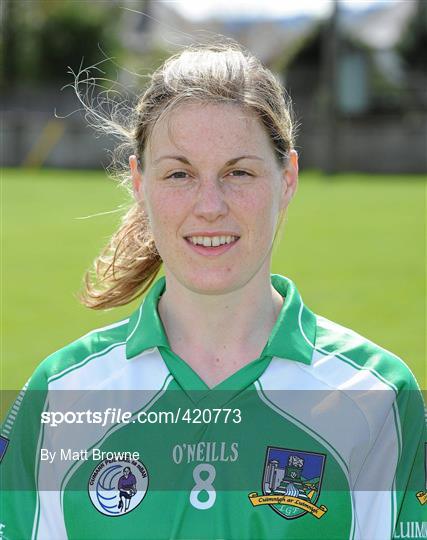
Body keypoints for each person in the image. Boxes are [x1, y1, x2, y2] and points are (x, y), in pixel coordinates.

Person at [1, 41, 425, 540]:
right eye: (179, 173)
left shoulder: (379, 396)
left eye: (238, 172)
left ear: (287, 177)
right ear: (139, 182)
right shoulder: (59, 395)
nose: (209, 206)